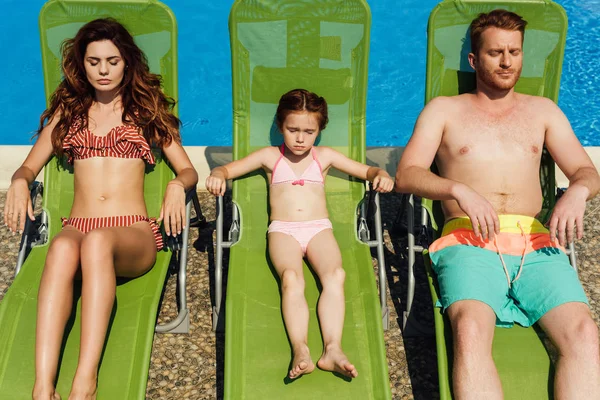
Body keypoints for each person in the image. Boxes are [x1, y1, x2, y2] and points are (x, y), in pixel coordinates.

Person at [395, 9, 600, 399]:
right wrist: (458, 189)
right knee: (470, 327)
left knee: (584, 332)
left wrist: (577, 191)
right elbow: (407, 174)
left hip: (535, 244)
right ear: (474, 60)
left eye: (514, 52)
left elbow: (586, 172)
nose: (507, 62)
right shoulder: (444, 110)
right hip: (468, 240)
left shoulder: (543, 111)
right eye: (495, 53)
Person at [3, 18, 198, 400]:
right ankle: (43, 387)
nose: (103, 70)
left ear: (127, 62)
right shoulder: (68, 113)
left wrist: (177, 184)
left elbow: (188, 168)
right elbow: (29, 165)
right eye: (94, 62)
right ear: (82, 63)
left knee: (96, 241)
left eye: (112, 60)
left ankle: (84, 382)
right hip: (78, 226)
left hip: (132, 233)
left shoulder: (146, 112)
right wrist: (18, 180)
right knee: (60, 247)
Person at [206, 88, 394, 380]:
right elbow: (227, 170)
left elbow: (367, 171)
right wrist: (218, 176)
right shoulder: (270, 157)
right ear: (280, 125)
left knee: (335, 276)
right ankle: (301, 348)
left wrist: (380, 175)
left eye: (309, 131)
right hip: (283, 231)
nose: (300, 138)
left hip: (319, 228)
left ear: (319, 131)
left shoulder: (325, 156)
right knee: (291, 279)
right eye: (292, 129)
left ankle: (332, 349)